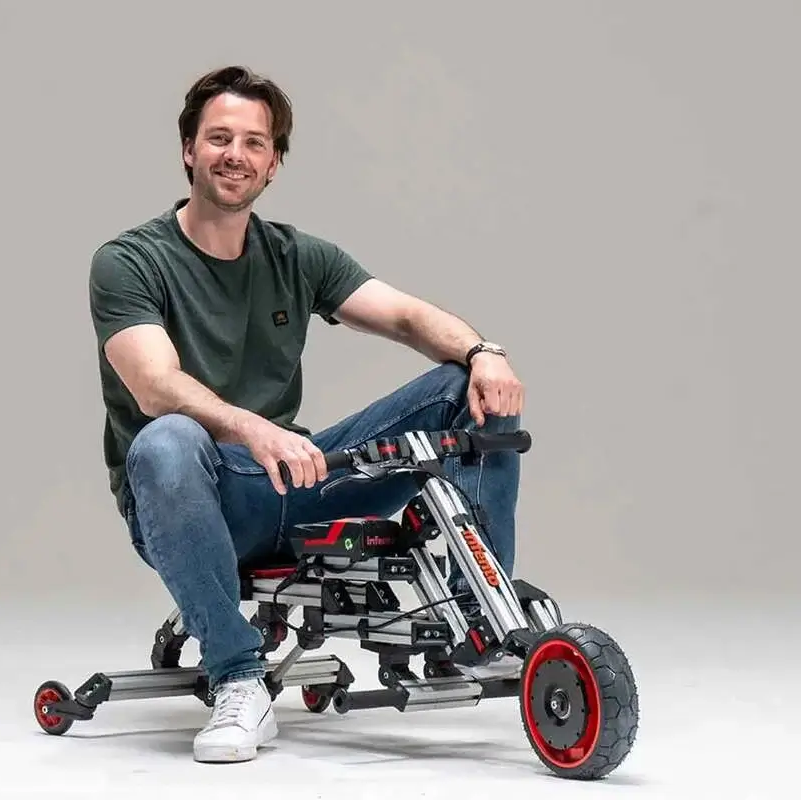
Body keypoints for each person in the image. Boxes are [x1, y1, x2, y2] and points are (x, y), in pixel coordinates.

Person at [88, 65, 525, 763]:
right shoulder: (130, 261)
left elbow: (406, 316)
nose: (235, 155)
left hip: (298, 481)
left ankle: (480, 626)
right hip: (203, 493)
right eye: (219, 138)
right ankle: (238, 679)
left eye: (254, 143)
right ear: (188, 150)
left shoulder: (296, 256)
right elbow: (153, 384)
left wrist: (484, 352)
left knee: (464, 385)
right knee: (166, 439)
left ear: (274, 164)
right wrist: (253, 428)